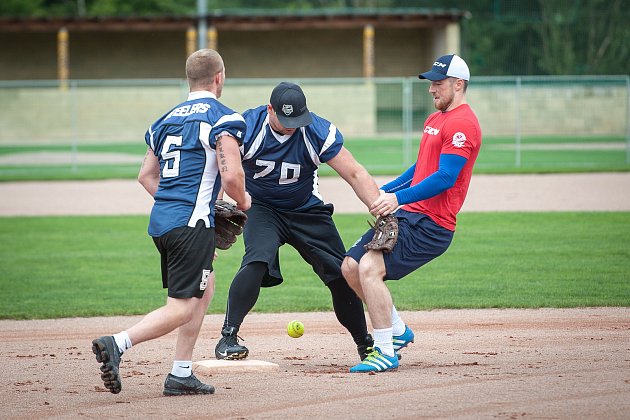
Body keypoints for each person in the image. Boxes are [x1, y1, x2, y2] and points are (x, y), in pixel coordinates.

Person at [91, 49, 250, 395]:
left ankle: (180, 373)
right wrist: (244, 202)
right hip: (190, 225)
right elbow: (233, 175)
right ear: (220, 78)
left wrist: (176, 204)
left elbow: (146, 176)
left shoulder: (164, 120)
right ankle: (117, 344)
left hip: (164, 223)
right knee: (181, 308)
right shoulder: (223, 118)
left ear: (189, 80)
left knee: (204, 289)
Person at [214, 81, 380, 362]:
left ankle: (365, 345)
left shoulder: (316, 131)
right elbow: (222, 171)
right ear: (270, 110)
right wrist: (213, 213)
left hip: (306, 209)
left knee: (341, 274)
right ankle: (228, 337)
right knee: (257, 260)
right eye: (286, 118)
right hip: (261, 207)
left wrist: (379, 209)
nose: (293, 125)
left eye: (297, 119)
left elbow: (354, 173)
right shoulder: (247, 127)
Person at [341, 54, 482, 373]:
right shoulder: (436, 120)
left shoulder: (463, 123)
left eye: (438, 83)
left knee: (368, 268)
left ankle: (385, 351)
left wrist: (397, 198)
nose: (432, 89)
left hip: (433, 224)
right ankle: (398, 330)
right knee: (350, 266)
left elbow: (445, 176)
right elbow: (422, 168)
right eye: (431, 83)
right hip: (410, 216)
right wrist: (387, 191)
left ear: (458, 85)